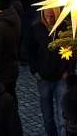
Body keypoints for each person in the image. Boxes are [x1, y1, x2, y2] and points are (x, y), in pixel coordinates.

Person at [30, 8, 67, 136]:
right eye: (47, 16)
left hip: (61, 76)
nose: (49, 19)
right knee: (47, 116)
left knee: (62, 116)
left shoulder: (63, 27)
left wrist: (67, 70)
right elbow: (31, 51)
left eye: (52, 16)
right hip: (44, 78)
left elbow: (71, 50)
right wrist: (35, 71)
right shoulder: (36, 28)